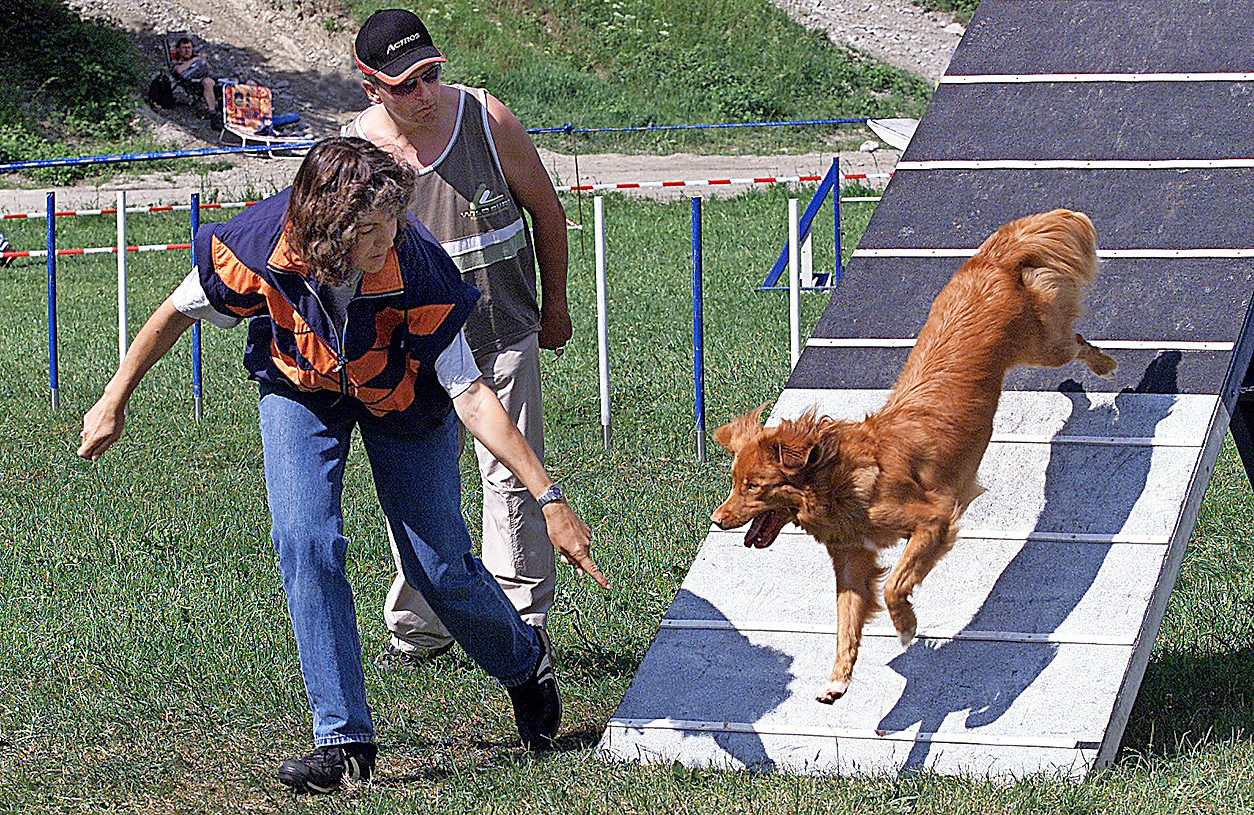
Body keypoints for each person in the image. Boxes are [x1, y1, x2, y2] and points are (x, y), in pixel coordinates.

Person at [77, 137, 608, 794]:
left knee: (436, 567)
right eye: (370, 229)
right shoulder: (259, 244)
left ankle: (526, 663)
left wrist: (549, 498)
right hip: (301, 387)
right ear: (328, 231)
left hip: (404, 399)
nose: (389, 237)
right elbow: (174, 312)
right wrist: (114, 396)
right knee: (306, 541)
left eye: (393, 220)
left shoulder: (418, 267)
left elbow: (472, 396)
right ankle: (344, 743)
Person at [343, 9, 574, 666]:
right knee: (419, 489)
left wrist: (553, 303)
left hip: (501, 330)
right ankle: (420, 630)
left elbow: (548, 213)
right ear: (371, 88)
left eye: (430, 75)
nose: (423, 94)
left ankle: (524, 625)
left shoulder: (486, 118)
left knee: (512, 478)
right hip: (409, 354)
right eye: (405, 85)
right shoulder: (354, 155)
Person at [171, 36, 218, 116]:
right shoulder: (177, 61)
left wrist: (202, 61)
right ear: (179, 50)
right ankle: (212, 111)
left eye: (189, 48)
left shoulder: (196, 58)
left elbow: (209, 68)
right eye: (184, 48)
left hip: (208, 77)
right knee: (208, 82)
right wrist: (194, 60)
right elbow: (179, 71)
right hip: (194, 83)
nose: (187, 50)